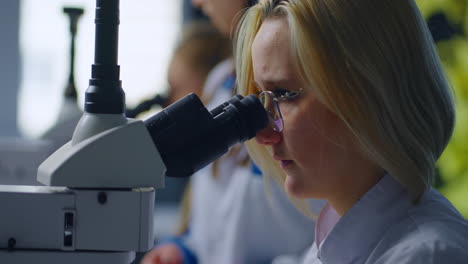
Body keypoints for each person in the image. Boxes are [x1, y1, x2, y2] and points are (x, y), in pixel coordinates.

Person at [235, 0, 468, 263]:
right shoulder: (338, 241)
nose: (263, 134)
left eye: (284, 94)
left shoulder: (428, 255)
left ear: (368, 92)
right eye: (260, 97)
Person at [141, 1, 323, 264]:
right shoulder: (221, 83)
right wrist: (184, 251)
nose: (197, 3)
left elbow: (335, 231)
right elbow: (218, 214)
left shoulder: (307, 91)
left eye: (283, 94)